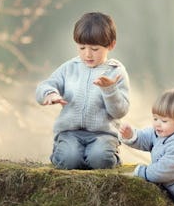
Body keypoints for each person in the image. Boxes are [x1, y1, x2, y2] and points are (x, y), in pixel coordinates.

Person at [36, 12, 130, 170]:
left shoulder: (116, 71)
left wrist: (109, 90)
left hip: (103, 135)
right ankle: (62, 153)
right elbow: (45, 85)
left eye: (95, 49)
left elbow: (120, 111)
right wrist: (49, 93)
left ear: (111, 45)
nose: (87, 54)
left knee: (99, 159)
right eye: (82, 47)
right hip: (70, 133)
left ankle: (110, 156)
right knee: (69, 159)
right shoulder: (69, 67)